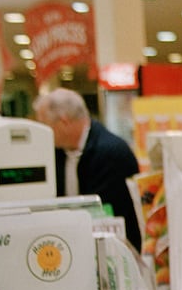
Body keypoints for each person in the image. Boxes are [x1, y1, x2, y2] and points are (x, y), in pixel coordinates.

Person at [33, 88, 142, 251]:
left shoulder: (111, 153)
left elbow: (104, 210)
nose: (42, 133)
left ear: (63, 122)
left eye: (44, 125)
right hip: (72, 245)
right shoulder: (57, 153)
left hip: (113, 249)